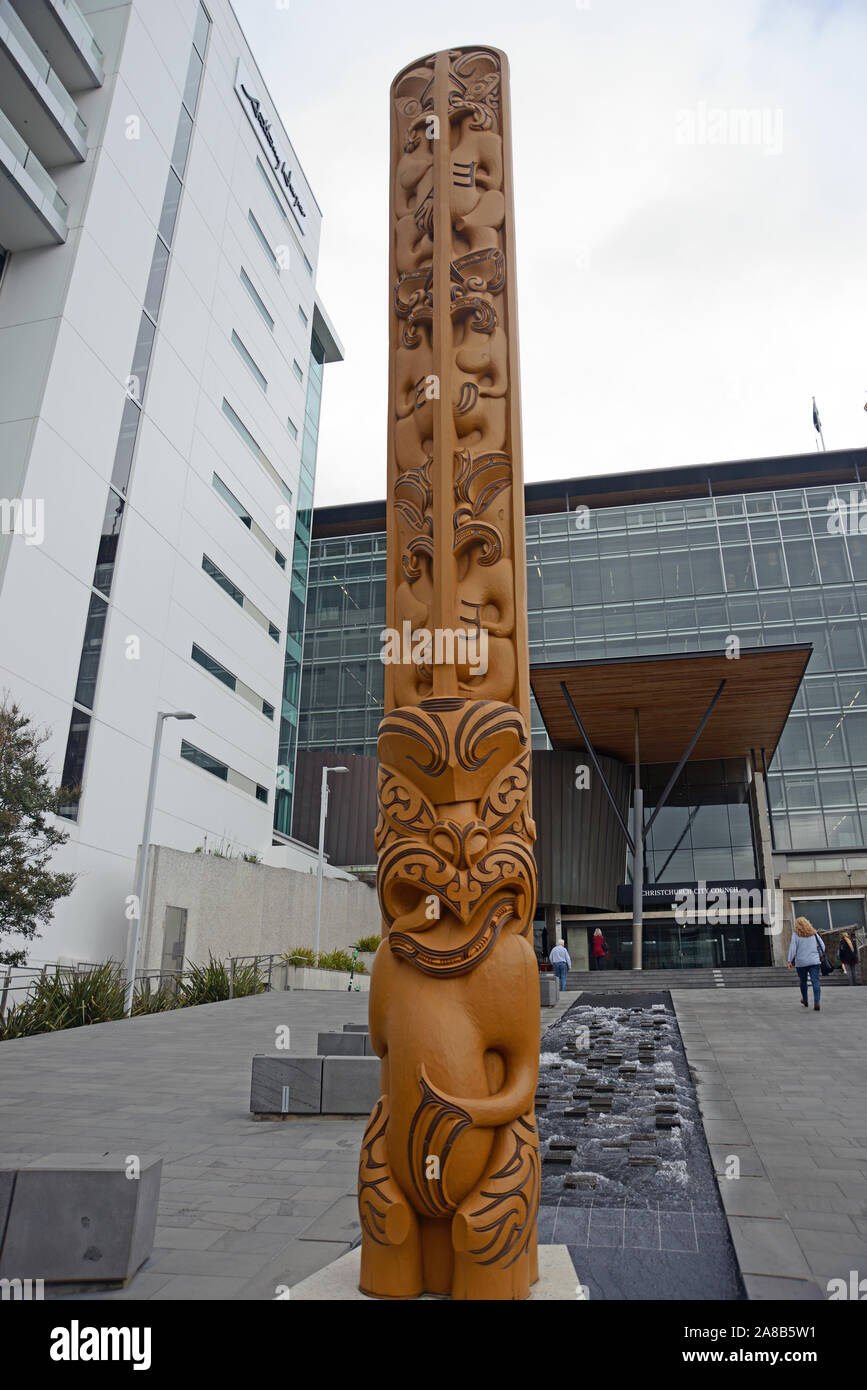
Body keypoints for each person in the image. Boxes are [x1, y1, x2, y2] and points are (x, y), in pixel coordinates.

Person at [787, 916, 826, 1011]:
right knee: (815, 981)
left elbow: (793, 948)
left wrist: (789, 960)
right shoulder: (814, 934)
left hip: (801, 962)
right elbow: (822, 946)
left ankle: (805, 999)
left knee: (803, 981)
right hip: (814, 961)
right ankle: (817, 1002)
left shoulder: (795, 935)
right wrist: (819, 955)